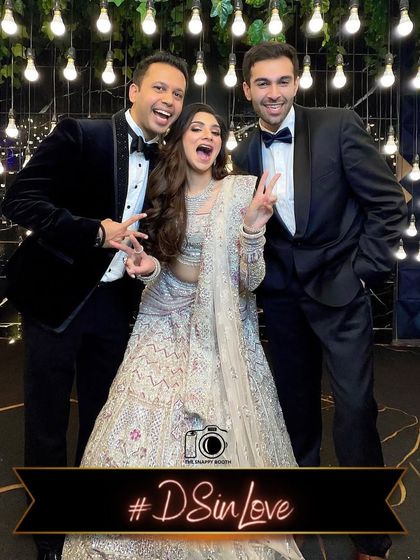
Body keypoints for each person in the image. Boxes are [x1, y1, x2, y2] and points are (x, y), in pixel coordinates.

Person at [61, 103, 305, 560]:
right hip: (162, 321)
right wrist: (148, 267)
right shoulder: (161, 194)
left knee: (211, 434)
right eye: (196, 128)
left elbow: (249, 281)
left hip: (222, 328)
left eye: (215, 130)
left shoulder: (240, 191)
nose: (207, 136)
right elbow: (162, 265)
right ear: (180, 140)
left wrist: (253, 229)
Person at [1, 52, 188, 560]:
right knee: (46, 424)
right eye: (160, 88)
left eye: (177, 94)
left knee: (102, 420)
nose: (169, 100)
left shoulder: (166, 161)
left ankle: (85, 524)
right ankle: (48, 536)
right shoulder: (81, 134)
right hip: (56, 301)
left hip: (114, 305)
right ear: (134, 91)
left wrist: (148, 258)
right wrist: (93, 232)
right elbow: (18, 201)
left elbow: (157, 231)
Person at [231, 41, 408, 560]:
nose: (274, 93)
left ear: (296, 83)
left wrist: (361, 273)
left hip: (342, 292)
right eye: (263, 83)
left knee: (355, 410)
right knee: (295, 413)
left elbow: (388, 205)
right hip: (283, 299)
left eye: (283, 81)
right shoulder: (243, 152)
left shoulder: (337, 125)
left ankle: (369, 535)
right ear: (247, 89)